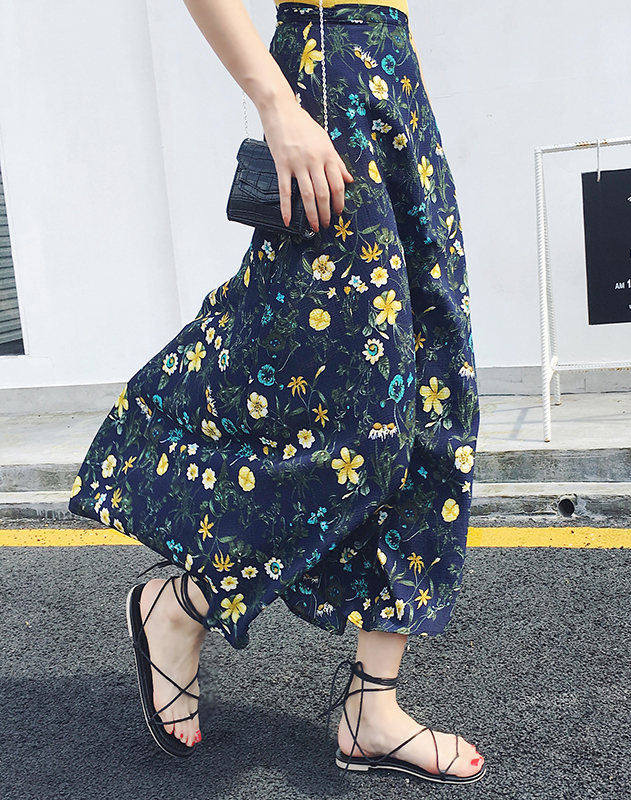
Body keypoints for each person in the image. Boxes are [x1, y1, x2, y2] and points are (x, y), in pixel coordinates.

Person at [69, 0, 483, 784]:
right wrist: (278, 104)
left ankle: (373, 708)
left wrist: (403, 92)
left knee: (435, 397)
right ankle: (185, 604)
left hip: (399, 90)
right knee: (360, 413)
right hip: (328, 82)